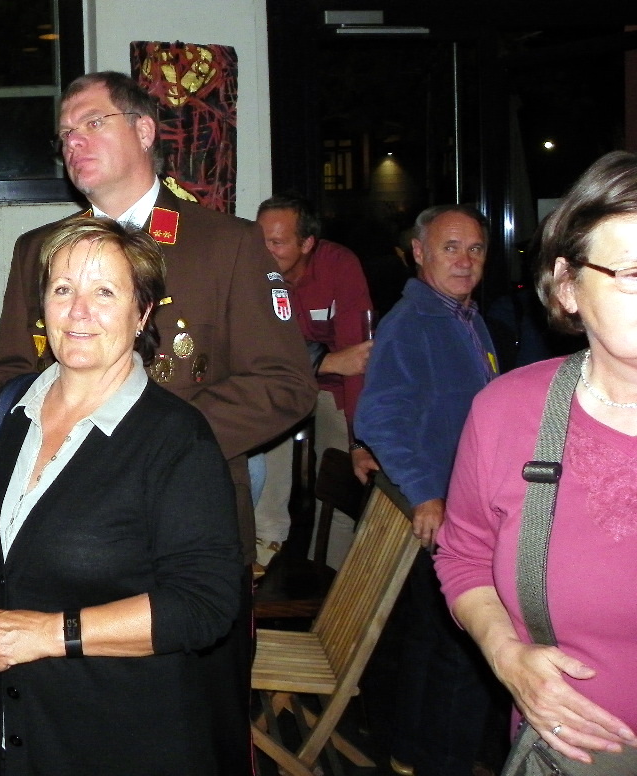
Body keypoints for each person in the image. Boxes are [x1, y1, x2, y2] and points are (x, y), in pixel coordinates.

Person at [0, 71, 316, 775]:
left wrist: (148, 441)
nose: (74, 142)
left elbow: (285, 385)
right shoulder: (39, 249)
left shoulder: (224, 243)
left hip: (183, 539)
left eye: (92, 123)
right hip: (55, 543)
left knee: (197, 735)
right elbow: (5, 377)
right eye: (65, 134)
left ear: (143, 131)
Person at [0, 218, 242, 775]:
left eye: (104, 292)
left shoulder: (175, 439)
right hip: (13, 739)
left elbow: (203, 604)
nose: (78, 311)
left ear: (142, 313)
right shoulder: (8, 410)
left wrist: (51, 633)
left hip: (124, 742)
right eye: (63, 289)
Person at [436, 151, 637, 768]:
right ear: (568, 285)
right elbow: (464, 555)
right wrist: (507, 656)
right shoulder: (509, 414)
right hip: (575, 756)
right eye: (634, 271)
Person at [356, 203, 502, 776]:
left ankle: (410, 756)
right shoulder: (415, 321)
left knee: (436, 642)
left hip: (462, 507)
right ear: (419, 253)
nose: (465, 261)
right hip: (443, 512)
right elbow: (379, 417)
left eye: (475, 249)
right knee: (460, 652)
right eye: (450, 248)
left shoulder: (462, 316)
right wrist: (424, 493)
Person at [253, 193, 374, 571]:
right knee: (264, 437)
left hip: (336, 387)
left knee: (340, 472)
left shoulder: (340, 267)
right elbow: (257, 352)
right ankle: (265, 547)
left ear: (307, 243)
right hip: (283, 379)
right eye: (260, 239)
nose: (264, 251)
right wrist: (325, 361)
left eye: (276, 242)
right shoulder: (250, 269)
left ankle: (328, 572)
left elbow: (358, 360)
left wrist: (358, 440)